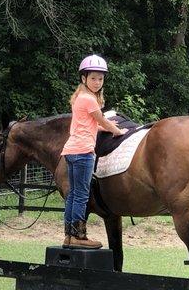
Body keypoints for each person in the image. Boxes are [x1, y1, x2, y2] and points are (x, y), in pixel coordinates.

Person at [61, 55, 129, 249]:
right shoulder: (89, 99)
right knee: (82, 195)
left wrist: (105, 127)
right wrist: (116, 130)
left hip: (71, 150)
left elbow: (88, 125)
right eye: (93, 78)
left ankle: (69, 235)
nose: (97, 82)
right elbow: (101, 120)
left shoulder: (78, 98)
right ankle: (79, 236)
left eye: (100, 79)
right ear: (84, 78)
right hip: (83, 152)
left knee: (73, 194)